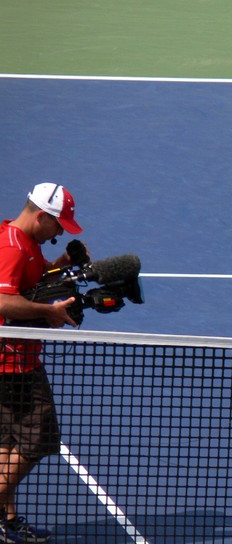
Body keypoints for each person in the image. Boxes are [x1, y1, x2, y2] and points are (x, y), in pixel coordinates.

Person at [0, 183, 85, 543]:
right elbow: (3, 303)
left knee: (7, 444)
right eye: (58, 225)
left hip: (18, 359)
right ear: (40, 216)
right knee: (38, 440)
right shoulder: (13, 249)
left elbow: (31, 282)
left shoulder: (23, 242)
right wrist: (48, 314)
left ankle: (6, 520)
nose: (60, 232)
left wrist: (64, 265)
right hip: (11, 364)